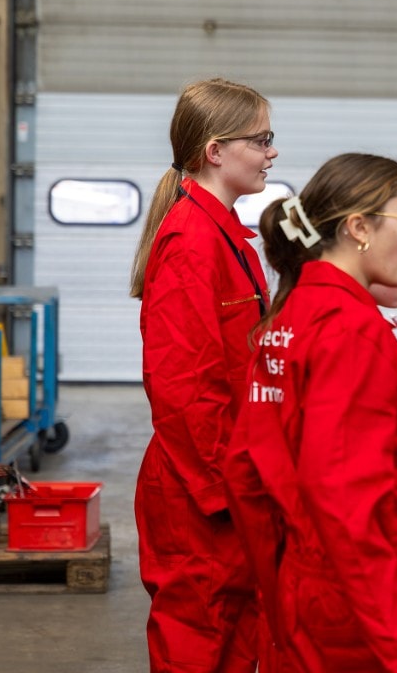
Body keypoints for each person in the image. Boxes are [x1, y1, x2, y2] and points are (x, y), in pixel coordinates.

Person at [223, 153, 397, 673]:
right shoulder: (352, 329)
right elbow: (345, 498)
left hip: (309, 584)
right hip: (357, 608)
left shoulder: (290, 317)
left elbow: (248, 473)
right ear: (359, 228)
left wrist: (282, 588)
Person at [129, 78, 277, 673]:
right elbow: (181, 385)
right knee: (199, 641)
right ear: (215, 151)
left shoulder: (227, 234)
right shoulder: (191, 241)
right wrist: (224, 490)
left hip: (228, 475)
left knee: (237, 638)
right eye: (260, 140)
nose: (271, 152)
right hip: (200, 488)